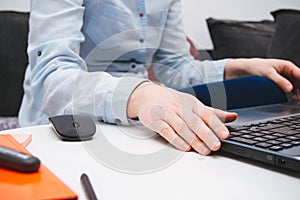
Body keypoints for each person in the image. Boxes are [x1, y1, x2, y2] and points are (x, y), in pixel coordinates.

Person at [19, 0, 300, 156]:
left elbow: (175, 67)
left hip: (141, 126)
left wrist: (239, 66)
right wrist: (139, 95)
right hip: (62, 131)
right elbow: (51, 78)